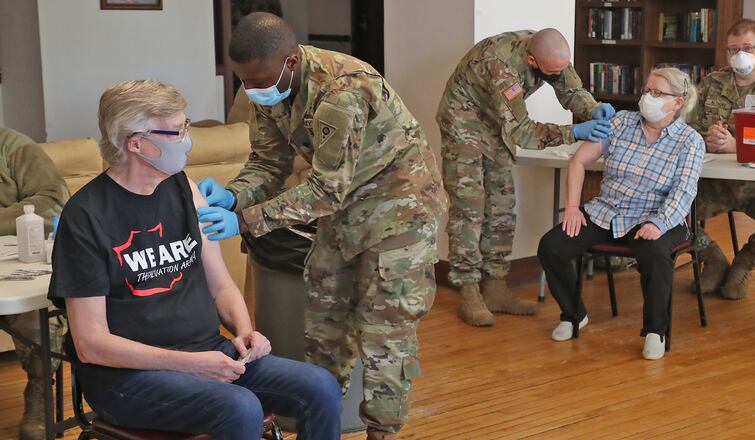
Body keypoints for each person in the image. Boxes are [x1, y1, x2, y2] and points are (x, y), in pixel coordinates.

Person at [195, 13, 446, 440]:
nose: (254, 91)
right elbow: (267, 162)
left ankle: (381, 433)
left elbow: (325, 190)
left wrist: (243, 220)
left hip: (399, 213)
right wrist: (234, 194)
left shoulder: (342, 91)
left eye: (260, 81)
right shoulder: (265, 84)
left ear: (290, 61)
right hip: (343, 212)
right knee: (325, 321)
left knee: (385, 334)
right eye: (245, 82)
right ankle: (322, 422)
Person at [47, 80, 341, 440]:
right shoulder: (86, 216)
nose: (188, 139)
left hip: (209, 355)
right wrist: (190, 365)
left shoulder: (182, 187)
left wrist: (245, 331)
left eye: (185, 126)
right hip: (126, 378)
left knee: (320, 386)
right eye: (176, 131)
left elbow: (220, 286)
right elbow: (90, 344)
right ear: (136, 143)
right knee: (240, 407)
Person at [436, 28, 615, 327]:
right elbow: (522, 131)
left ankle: (495, 288)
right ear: (532, 60)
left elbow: (570, 90)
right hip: (463, 122)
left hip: (497, 124)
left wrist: (592, 108)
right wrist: (574, 132)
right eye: (551, 71)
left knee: (502, 204)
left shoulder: (552, 52)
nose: (558, 74)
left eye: (562, 68)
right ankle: (468, 291)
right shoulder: (500, 66)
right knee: (469, 208)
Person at [537, 67, 704, 360]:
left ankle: (655, 331)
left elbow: (684, 192)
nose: (647, 97)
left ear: (677, 102)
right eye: (646, 90)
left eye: (657, 93)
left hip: (658, 215)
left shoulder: (690, 142)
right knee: (552, 245)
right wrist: (574, 209)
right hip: (608, 210)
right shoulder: (620, 123)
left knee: (654, 253)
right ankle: (574, 313)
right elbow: (579, 161)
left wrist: (658, 223)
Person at [687, 18, 755, 300]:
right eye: (733, 49)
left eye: (746, 47)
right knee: (668, 206)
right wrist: (705, 140)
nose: (739, 55)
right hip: (713, 184)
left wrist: (738, 146)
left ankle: (743, 265)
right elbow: (683, 129)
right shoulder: (710, 84)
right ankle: (713, 258)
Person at [0, 126, 69, 440]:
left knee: (35, 314)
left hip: (12, 265)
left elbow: (52, 200)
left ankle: (40, 395)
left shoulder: (13, 147)